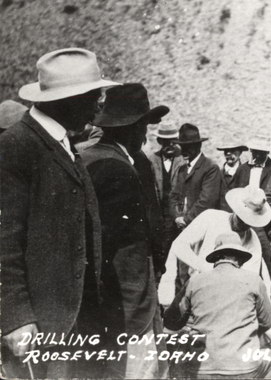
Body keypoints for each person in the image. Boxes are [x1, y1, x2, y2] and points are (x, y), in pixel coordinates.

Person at [0, 48, 118, 378]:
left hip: (72, 323)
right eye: (95, 95)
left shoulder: (61, 142)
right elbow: (4, 241)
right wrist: (16, 317)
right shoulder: (17, 146)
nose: (100, 103)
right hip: (38, 328)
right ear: (69, 98)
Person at [80, 83, 169, 379]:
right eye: (144, 126)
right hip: (129, 300)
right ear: (132, 128)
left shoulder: (85, 158)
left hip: (99, 306)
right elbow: (110, 243)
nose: (146, 136)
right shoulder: (120, 170)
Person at [166, 232, 271, 379]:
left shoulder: (195, 281)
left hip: (201, 369)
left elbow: (171, 322)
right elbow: (267, 322)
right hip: (243, 368)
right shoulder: (253, 280)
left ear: (215, 259)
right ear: (239, 259)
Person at [159, 186, 271, 305]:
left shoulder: (253, 240)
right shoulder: (211, 217)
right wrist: (202, 267)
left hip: (230, 296)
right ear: (236, 210)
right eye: (241, 218)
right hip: (199, 288)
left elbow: (249, 278)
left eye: (249, 222)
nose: (244, 224)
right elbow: (179, 245)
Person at [169, 123, 223, 293]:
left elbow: (206, 200)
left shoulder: (210, 168)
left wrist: (186, 219)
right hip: (183, 228)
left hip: (201, 230)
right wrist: (176, 217)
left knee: (199, 271)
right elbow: (173, 196)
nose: (184, 150)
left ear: (198, 146)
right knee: (182, 272)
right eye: (182, 146)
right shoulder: (182, 169)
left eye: (189, 147)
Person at [231, 135, 271, 299]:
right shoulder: (242, 169)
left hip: (264, 222)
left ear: (267, 152)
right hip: (244, 221)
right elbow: (235, 192)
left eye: (262, 152)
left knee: (269, 258)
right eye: (255, 152)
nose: (258, 156)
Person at [147, 124, 186, 251]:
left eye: (173, 141)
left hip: (179, 214)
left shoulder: (184, 160)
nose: (170, 145)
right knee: (161, 249)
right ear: (159, 141)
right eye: (166, 142)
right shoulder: (152, 160)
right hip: (159, 214)